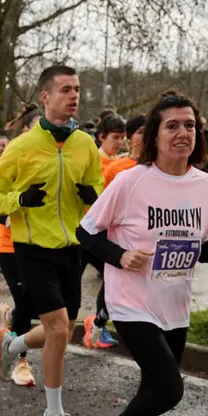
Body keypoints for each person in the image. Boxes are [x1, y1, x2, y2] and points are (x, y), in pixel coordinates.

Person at [78, 92, 208, 416]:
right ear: (154, 135)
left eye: (189, 125)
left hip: (174, 304)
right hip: (131, 302)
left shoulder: (205, 185)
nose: (182, 133)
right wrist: (120, 256)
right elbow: (86, 232)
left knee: (154, 390)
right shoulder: (131, 181)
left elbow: (201, 250)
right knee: (170, 388)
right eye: (172, 125)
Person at [0, 64, 104, 416]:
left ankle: (12, 344)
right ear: (45, 97)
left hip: (72, 249)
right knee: (59, 329)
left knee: (63, 330)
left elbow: (98, 189)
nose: (74, 96)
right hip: (32, 250)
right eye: (65, 89)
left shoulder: (86, 145)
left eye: (77, 89)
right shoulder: (22, 147)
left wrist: (92, 197)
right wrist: (20, 200)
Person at [0, 133, 37, 388]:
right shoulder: (2, 172)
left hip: (37, 244)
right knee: (25, 302)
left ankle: (7, 315)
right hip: (9, 247)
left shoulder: (38, 171)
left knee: (34, 304)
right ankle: (20, 361)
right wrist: (5, 218)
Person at [77, 114, 130, 352]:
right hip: (82, 234)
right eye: (115, 137)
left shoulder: (123, 165)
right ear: (101, 137)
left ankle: (96, 326)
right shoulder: (92, 162)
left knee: (113, 279)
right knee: (67, 289)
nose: (119, 142)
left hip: (105, 238)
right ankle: (19, 317)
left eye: (122, 137)